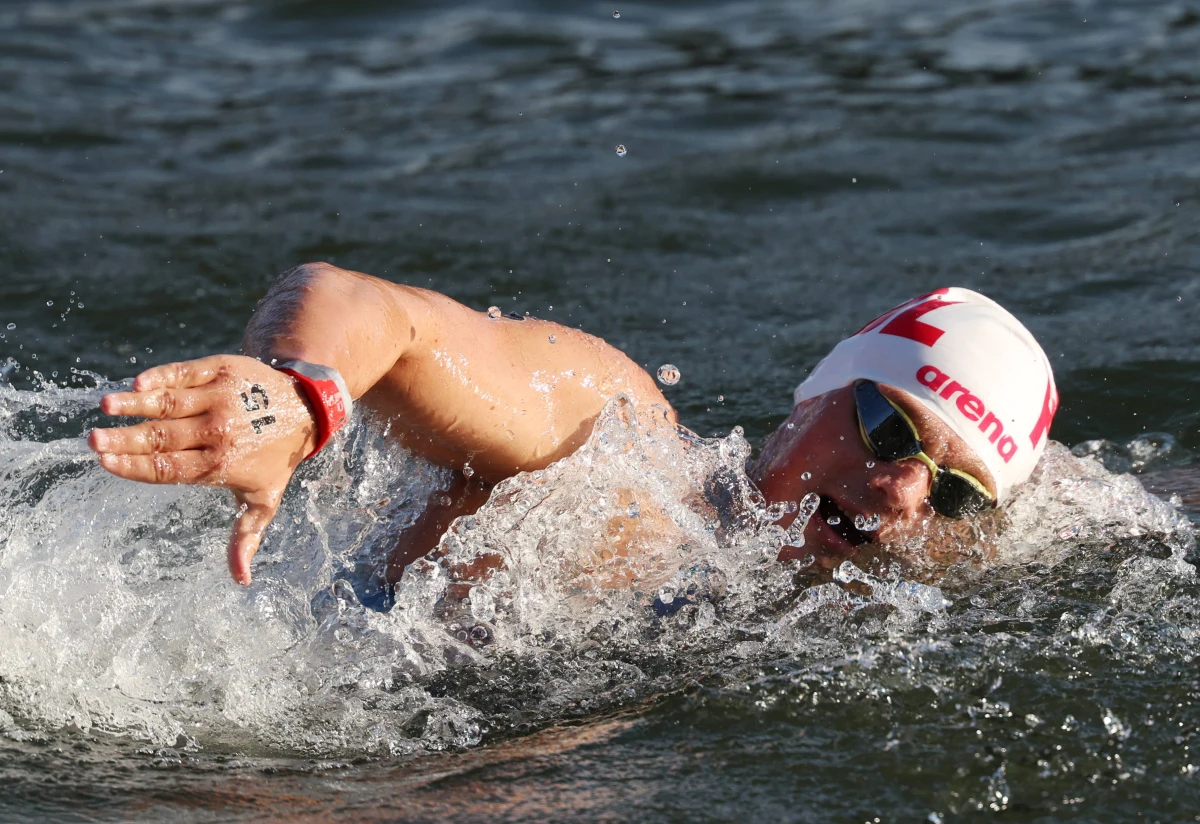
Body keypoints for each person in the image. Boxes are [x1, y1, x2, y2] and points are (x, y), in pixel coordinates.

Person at [86, 263, 1057, 586]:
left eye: (957, 490)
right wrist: (296, 401)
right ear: (816, 391)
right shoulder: (614, 444)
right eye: (889, 426)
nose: (901, 489)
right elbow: (368, 307)